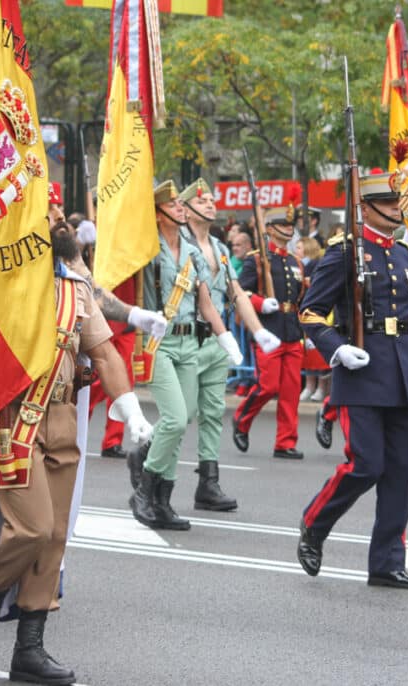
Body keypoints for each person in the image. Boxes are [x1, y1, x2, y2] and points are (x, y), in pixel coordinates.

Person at [0, 214, 153, 685]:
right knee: (33, 527)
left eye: (60, 213)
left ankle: (30, 649)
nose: (61, 221)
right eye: (49, 214)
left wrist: (130, 409)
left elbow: (103, 353)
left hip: (61, 419)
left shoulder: (75, 290)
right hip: (13, 420)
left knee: (55, 536)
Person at [295, 171, 408, 589]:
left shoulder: (407, 256)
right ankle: (315, 522)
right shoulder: (344, 253)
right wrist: (336, 348)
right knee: (365, 465)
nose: (398, 208)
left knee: (401, 470)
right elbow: (310, 312)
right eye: (388, 202)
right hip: (362, 372)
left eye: (399, 201)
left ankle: (386, 562)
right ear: (365, 207)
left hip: (403, 374)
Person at [130, 180, 242, 531]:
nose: (181, 208)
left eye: (181, 203)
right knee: (176, 419)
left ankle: (162, 502)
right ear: (159, 213)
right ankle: (145, 491)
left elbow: (205, 300)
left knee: (183, 421)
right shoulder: (148, 248)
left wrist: (226, 339)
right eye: (174, 205)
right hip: (159, 343)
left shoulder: (192, 251)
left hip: (189, 344)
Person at [173, 177, 280, 510]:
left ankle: (209, 483)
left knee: (213, 413)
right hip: (186, 338)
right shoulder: (176, 244)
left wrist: (258, 331)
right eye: (202, 201)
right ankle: (150, 463)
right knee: (182, 412)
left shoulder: (219, 249)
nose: (211, 205)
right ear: (186, 209)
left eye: (211, 201)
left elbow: (235, 293)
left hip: (216, 344)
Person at [46, 182, 167, 460]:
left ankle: (112, 438)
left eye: (59, 207)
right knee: (94, 384)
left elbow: (89, 284)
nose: (60, 215)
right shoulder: (92, 236)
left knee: (117, 376)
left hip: (109, 322)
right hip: (68, 341)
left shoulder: (136, 239)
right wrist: (91, 242)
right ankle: (82, 429)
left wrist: (134, 314)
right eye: (50, 209)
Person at [232, 203, 307, 460]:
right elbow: (240, 293)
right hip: (268, 330)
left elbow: (301, 298)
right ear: (271, 229)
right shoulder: (256, 259)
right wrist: (260, 303)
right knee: (268, 386)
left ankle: (285, 442)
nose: (289, 229)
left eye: (291, 225)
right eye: (284, 225)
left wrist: (305, 332)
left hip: (291, 332)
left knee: (290, 391)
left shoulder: (296, 261)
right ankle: (242, 419)